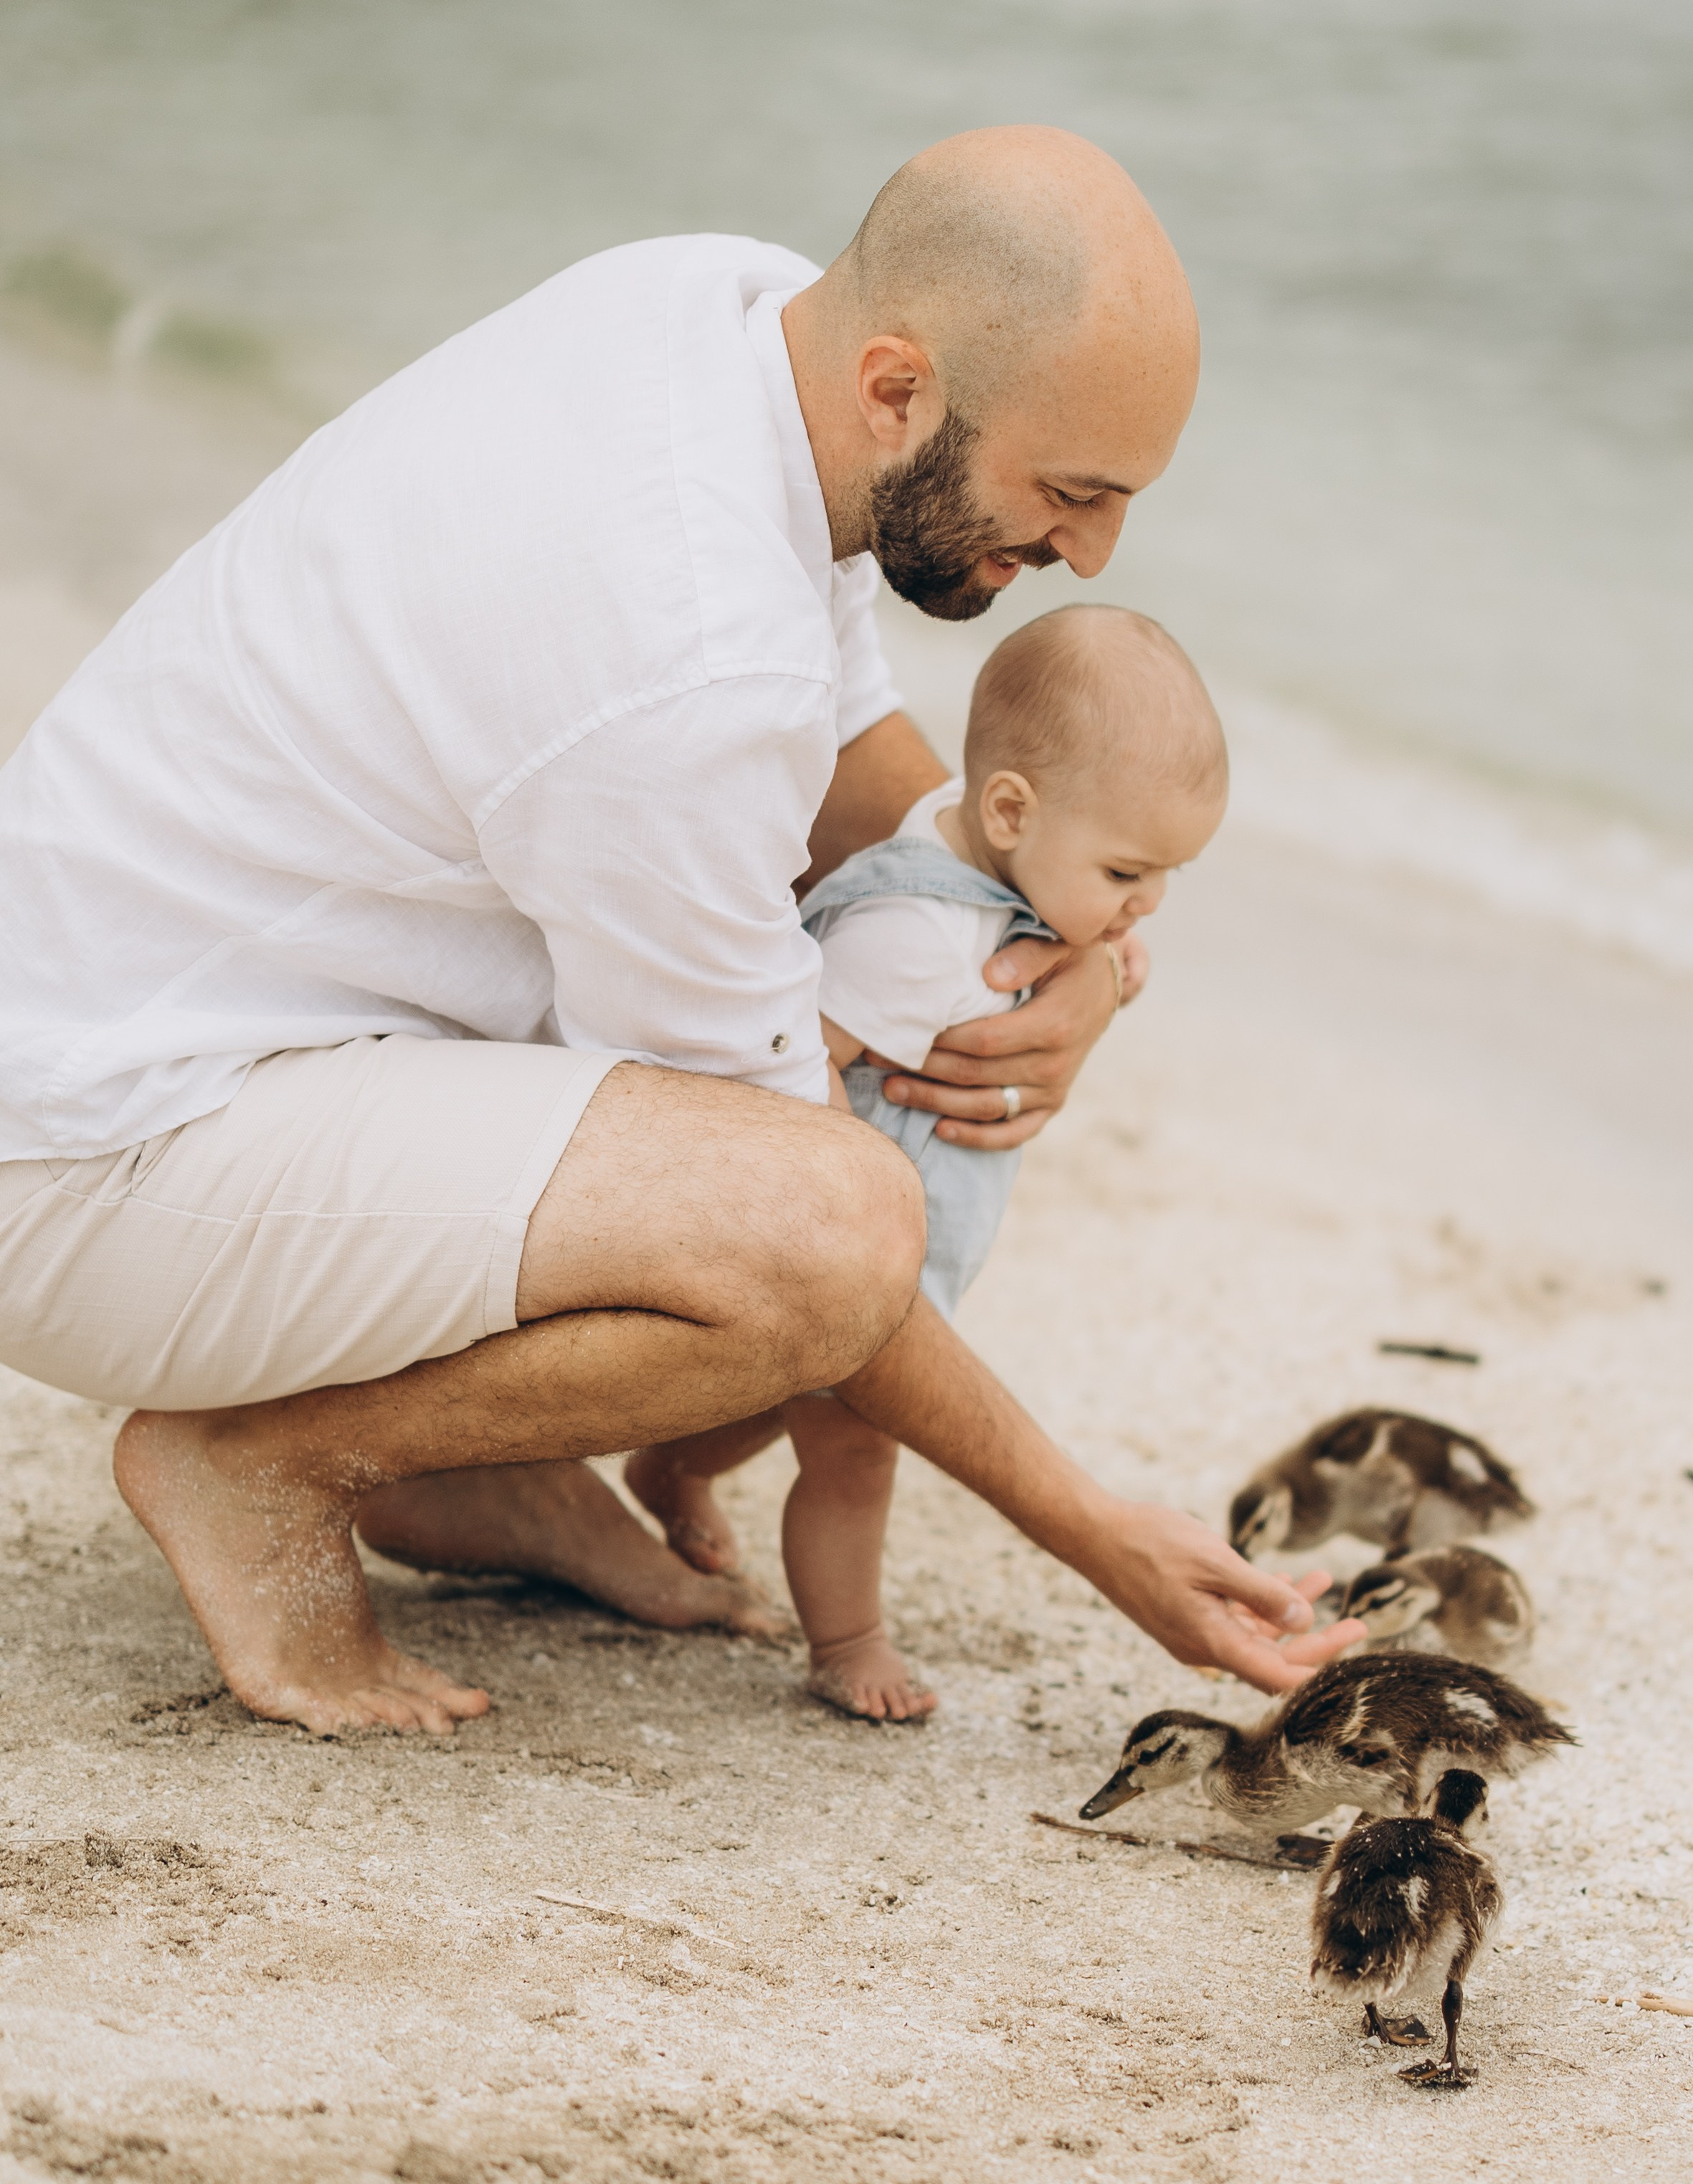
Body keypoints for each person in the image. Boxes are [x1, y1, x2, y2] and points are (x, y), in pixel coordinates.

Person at [0, 125, 1361, 1736]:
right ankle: (263, 1459)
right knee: (837, 1230)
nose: (1090, 554)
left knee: (837, 1058)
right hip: (103, 1152)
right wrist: (1090, 1529)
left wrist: (1058, 952)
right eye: (1068, 493)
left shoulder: (715, 318)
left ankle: (467, 1467)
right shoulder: (686, 655)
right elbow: (800, 1228)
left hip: (175, 1017)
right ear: (896, 389)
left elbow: (848, 761)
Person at [629, 605, 1229, 1721]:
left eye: (1162, 879)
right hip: (847, 1252)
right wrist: (829, 1211)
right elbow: (807, 1049)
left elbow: (1059, 912)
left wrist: (1106, 943)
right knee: (855, 1452)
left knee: (775, 1405)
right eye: (1125, 871)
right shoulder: (911, 933)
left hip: (903, 1256)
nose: (1142, 903)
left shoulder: (983, 852)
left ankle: (674, 1466)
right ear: (1009, 811)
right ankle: (846, 1639)